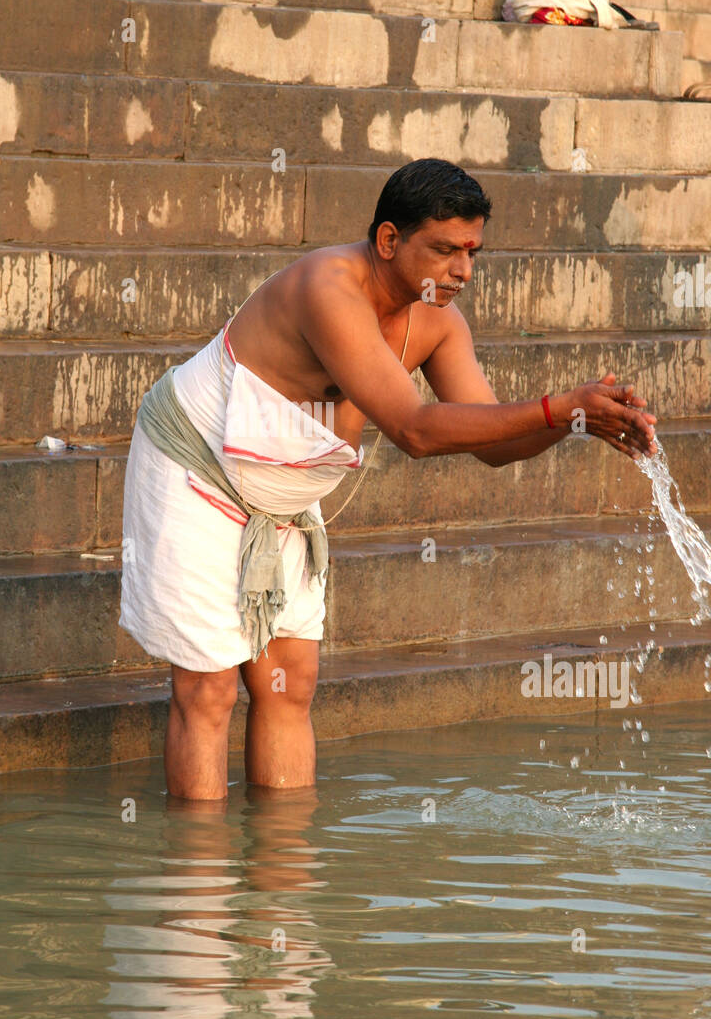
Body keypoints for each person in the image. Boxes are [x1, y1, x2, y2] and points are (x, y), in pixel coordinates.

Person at [119, 158, 657, 801]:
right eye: (445, 249)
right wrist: (556, 406)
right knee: (207, 690)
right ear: (388, 241)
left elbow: (495, 446)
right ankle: (196, 891)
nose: (462, 271)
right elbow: (415, 429)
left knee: (291, 680)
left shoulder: (438, 322)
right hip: (197, 466)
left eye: (471, 251)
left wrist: (578, 420)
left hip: (283, 491)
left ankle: (281, 885)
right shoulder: (328, 287)